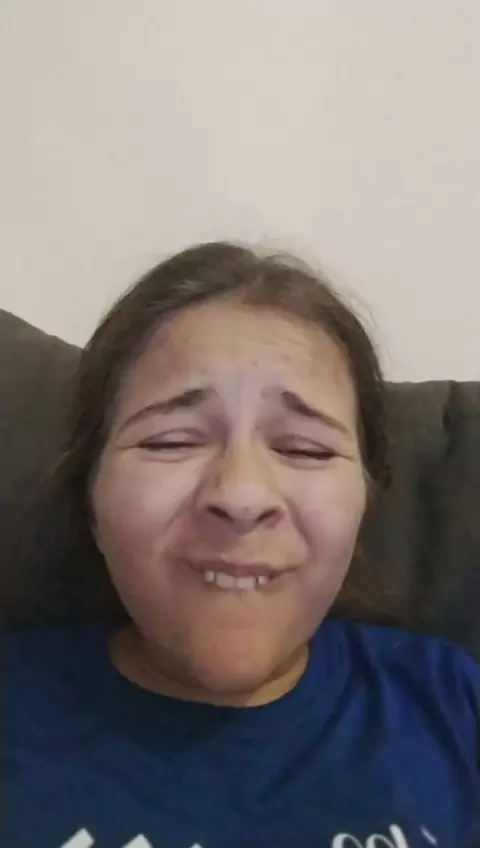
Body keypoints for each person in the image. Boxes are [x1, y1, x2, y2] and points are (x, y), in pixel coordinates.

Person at [5, 242, 479, 848]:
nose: (241, 494)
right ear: (90, 498)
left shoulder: (452, 707)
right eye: (172, 442)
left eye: (305, 449)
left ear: (365, 503)